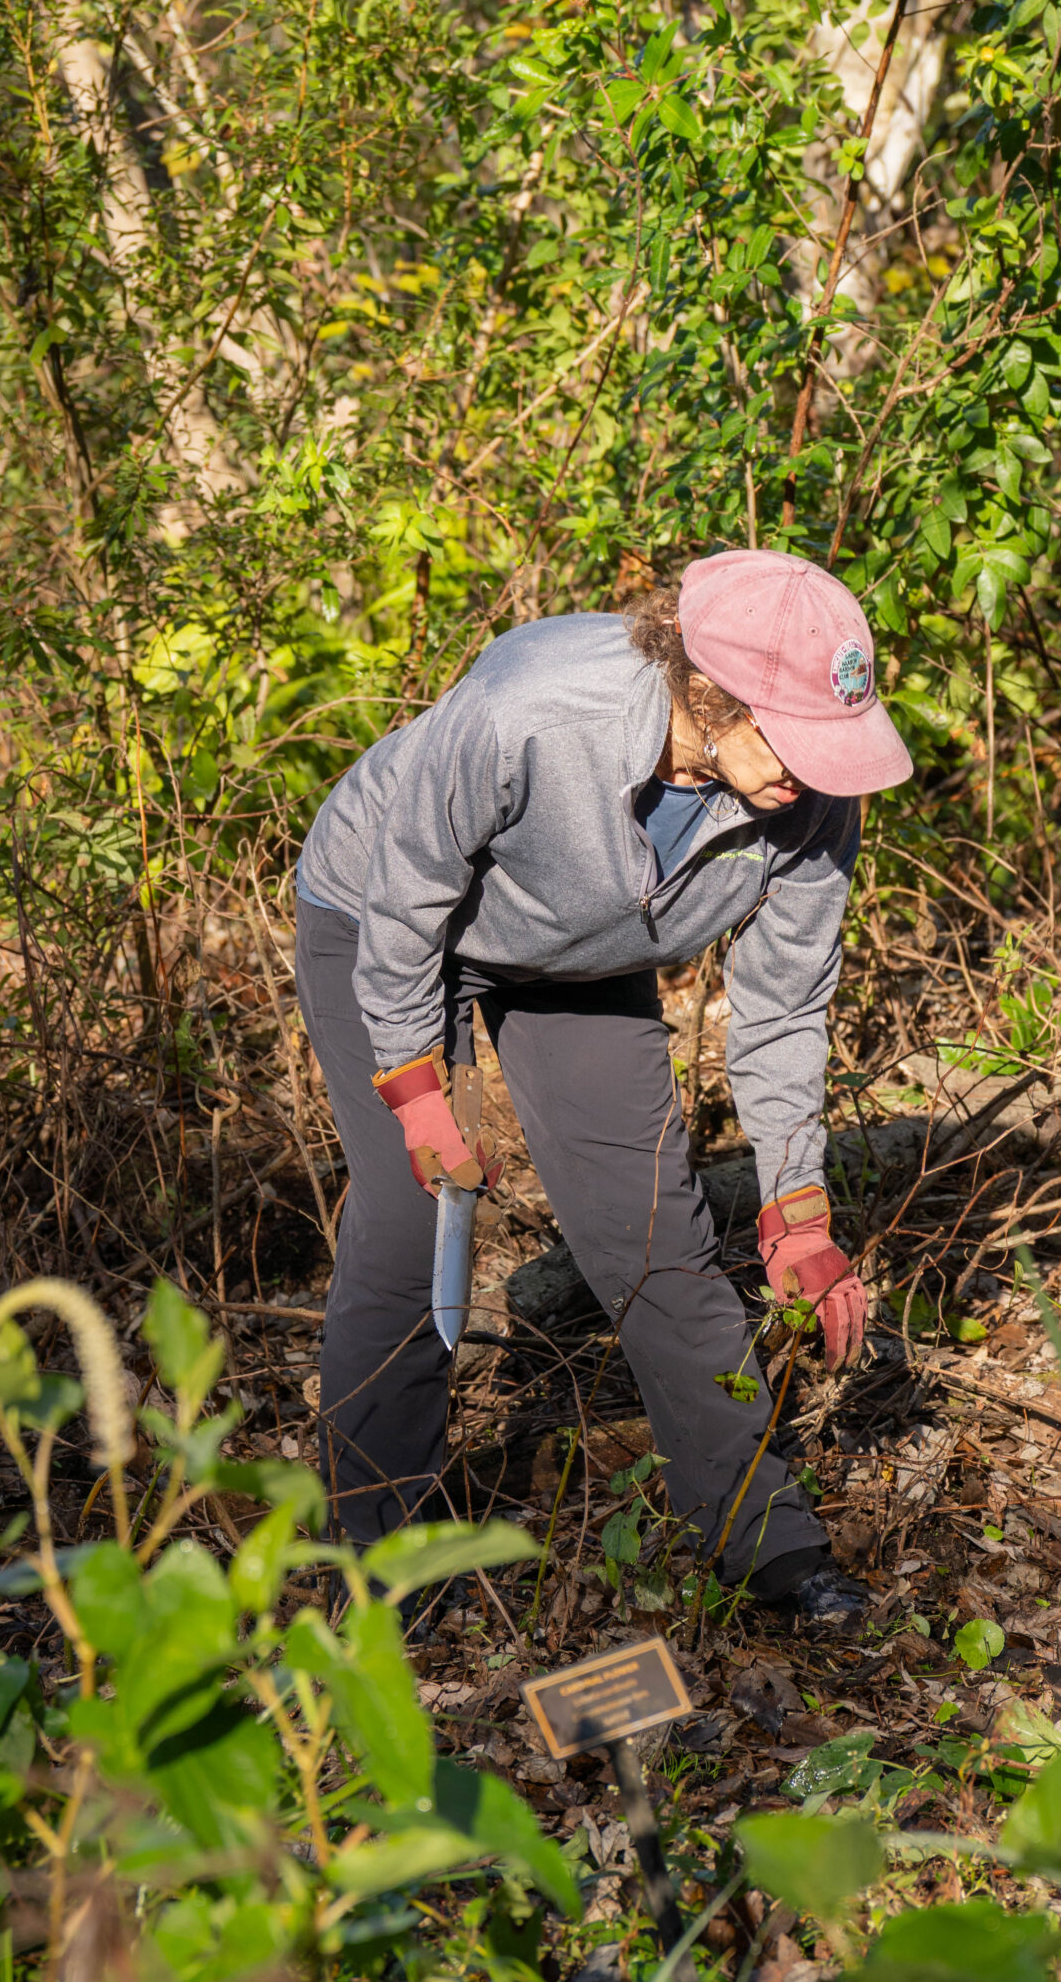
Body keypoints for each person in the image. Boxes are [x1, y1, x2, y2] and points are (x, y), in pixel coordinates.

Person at [292, 548, 912, 1625]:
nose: (813, 775)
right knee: (410, 1221)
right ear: (708, 690)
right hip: (387, 921)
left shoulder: (812, 802)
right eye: (794, 739)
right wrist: (418, 1090)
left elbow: (783, 1009)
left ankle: (763, 1537)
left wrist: (798, 1207)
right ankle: (382, 1557)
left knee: (654, 1232)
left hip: (577, 956)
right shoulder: (531, 712)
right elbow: (404, 890)